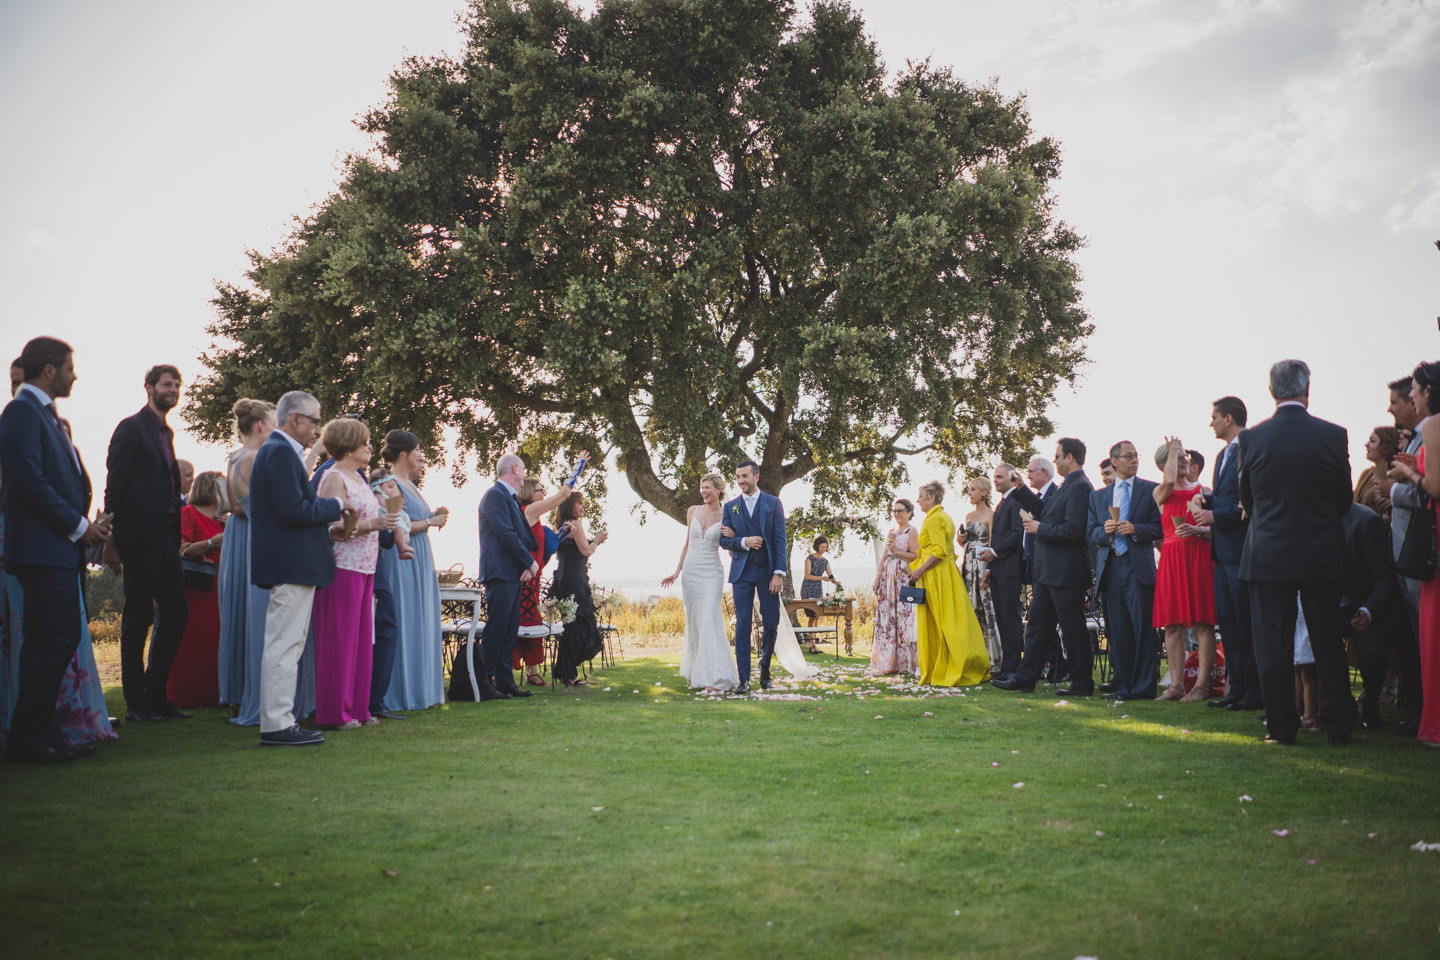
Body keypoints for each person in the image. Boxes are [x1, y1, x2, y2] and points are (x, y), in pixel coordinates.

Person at [0, 338, 114, 763]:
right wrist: (78, 526)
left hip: (55, 549)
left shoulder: (42, 415)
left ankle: (39, 732)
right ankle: (29, 738)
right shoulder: (21, 413)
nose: (74, 375)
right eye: (69, 367)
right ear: (49, 370)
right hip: (42, 549)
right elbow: (29, 481)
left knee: (47, 642)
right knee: (55, 639)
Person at [1238, 359, 1355, 745]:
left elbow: (1248, 501)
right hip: (1320, 553)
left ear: (1272, 391)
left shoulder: (1252, 439)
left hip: (1268, 554)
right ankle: (1338, 724)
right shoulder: (1333, 435)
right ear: (1307, 389)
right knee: (1327, 644)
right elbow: (1343, 500)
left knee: (1272, 647)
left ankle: (1281, 727)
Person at [248, 390, 349, 746]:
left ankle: (282, 719)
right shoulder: (279, 453)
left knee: (288, 644)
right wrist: (335, 505)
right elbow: (293, 511)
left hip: (292, 562)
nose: (317, 430)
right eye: (314, 421)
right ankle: (277, 724)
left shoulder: (279, 452)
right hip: (290, 562)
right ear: (295, 420)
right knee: (284, 645)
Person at [103, 363, 190, 722]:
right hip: (138, 539)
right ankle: (137, 704)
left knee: (177, 614)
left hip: (167, 540)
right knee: (137, 620)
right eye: (167, 384)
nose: (173, 390)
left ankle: (157, 696)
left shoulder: (165, 433)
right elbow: (116, 485)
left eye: (177, 386)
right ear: (149, 387)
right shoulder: (132, 429)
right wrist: (110, 538)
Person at [994, 439, 1095, 695]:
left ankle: (1082, 682)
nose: (1056, 460)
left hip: (1066, 572)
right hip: (1047, 573)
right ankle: (1026, 678)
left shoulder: (1081, 487)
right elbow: (1044, 510)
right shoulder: (1065, 487)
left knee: (1073, 629)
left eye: (1058, 456)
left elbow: (1075, 529)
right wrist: (1021, 490)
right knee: (1037, 627)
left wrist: (1041, 529)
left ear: (1069, 457)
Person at [313, 419, 396, 729]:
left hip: (366, 566)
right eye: (364, 442)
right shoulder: (333, 478)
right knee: (339, 641)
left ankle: (359, 708)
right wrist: (371, 525)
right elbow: (329, 527)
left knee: (361, 641)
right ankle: (335, 713)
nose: (370, 447)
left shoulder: (359, 478)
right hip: (341, 566)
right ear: (347, 444)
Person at [1190, 397, 1261, 712]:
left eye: (1214, 417)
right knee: (1229, 626)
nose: (1211, 423)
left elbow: (1252, 501)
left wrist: (1217, 516)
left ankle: (1254, 693)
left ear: (1229, 418)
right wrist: (1204, 503)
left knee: (1246, 625)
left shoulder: (1251, 447)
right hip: (1220, 553)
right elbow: (1224, 497)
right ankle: (1236, 690)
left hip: (1243, 549)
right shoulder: (1221, 456)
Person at [1386, 364, 1440, 745]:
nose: (1414, 398)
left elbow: (1435, 486)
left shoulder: (1434, 426)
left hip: (1433, 538)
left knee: (1432, 634)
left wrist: (1410, 477)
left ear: (1428, 391)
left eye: (1417, 391)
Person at [1086, 441, 1162, 700]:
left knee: (1142, 629)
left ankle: (1142, 688)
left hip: (1137, 565)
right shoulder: (1098, 497)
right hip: (1110, 566)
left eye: (1136, 456)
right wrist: (1104, 531)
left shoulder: (1151, 490)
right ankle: (1124, 685)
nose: (1134, 460)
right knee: (1117, 631)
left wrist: (1137, 529)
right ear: (1114, 461)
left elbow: (1160, 528)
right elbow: (1090, 531)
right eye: (1128, 457)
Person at [378, 430, 448, 712]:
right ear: (404, 454)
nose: (421, 454)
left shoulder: (410, 483)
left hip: (420, 557)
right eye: (418, 449)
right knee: (404, 618)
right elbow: (397, 523)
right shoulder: (389, 484)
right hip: (401, 559)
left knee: (420, 618)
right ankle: (397, 693)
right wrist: (432, 520)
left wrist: (432, 519)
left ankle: (420, 690)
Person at [219, 399, 276, 725]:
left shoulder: (235, 456)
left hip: (238, 536)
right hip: (253, 533)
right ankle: (259, 697)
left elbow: (233, 505)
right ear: (260, 426)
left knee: (238, 614)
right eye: (272, 422)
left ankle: (238, 695)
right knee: (257, 616)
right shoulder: (254, 456)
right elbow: (246, 505)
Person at [1151, 437, 1218, 702]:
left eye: (1184, 458)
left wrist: (1200, 531)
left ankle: (1201, 686)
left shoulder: (1204, 490)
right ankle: (1176, 685)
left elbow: (1218, 530)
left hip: (1200, 555)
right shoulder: (1160, 492)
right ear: (1164, 464)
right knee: (1172, 625)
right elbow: (1169, 482)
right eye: (1178, 459)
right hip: (1171, 558)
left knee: (1203, 622)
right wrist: (1173, 450)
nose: (1184, 462)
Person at [905, 480, 989, 686]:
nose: (918, 501)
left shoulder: (933, 519)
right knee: (953, 619)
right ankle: (953, 663)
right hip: (947, 572)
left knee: (942, 622)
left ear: (932, 497)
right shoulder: (944, 516)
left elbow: (940, 551)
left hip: (936, 575)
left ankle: (950, 666)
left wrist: (919, 571)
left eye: (921, 496)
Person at [664, 473, 740, 693]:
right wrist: (677, 571)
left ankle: (716, 678)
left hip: (712, 572)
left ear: (719, 490)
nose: (704, 492)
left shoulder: (728, 513)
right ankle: (699, 672)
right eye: (702, 488)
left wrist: (733, 534)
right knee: (696, 622)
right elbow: (688, 543)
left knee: (709, 618)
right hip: (691, 572)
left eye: (708, 488)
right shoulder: (692, 511)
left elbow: (731, 542)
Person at [718, 460, 787, 693]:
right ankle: (744, 679)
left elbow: (779, 540)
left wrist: (779, 573)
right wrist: (743, 541)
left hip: (768, 572)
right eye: (738, 476)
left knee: (771, 623)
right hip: (741, 573)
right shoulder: (731, 507)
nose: (740, 480)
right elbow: (724, 540)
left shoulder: (773, 503)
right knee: (742, 625)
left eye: (745, 476)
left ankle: (765, 666)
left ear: (756, 477)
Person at [478, 453, 540, 699]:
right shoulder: (495, 495)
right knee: (497, 628)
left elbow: (522, 534)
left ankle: (505, 681)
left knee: (509, 629)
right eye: (523, 469)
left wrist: (526, 564)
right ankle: (485, 682)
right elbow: (504, 533)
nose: (525, 474)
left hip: (512, 572)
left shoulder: (510, 498)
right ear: (515, 468)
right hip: (499, 571)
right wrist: (528, 562)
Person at [513, 471, 581, 685]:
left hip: (533, 578)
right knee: (520, 625)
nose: (544, 493)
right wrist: (578, 467)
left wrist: (562, 532)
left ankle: (531, 671)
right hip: (523, 578)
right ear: (529, 493)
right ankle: (507, 670)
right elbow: (562, 495)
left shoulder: (536, 519)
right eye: (540, 490)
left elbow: (544, 547)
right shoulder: (528, 510)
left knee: (532, 625)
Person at [976, 464, 1041, 680]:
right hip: (999, 569)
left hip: (1011, 570)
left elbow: (1016, 535)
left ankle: (1012, 667)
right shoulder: (1003, 502)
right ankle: (1007, 665)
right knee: (1002, 618)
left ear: (1012, 478)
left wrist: (994, 552)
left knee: (1010, 619)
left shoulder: (1015, 501)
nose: (996, 481)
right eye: (994, 477)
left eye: (1000, 477)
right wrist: (990, 567)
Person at [166, 470, 225, 708]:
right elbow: (181, 550)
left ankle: (219, 693)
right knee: (195, 642)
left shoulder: (226, 516)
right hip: (199, 589)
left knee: (219, 643)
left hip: (224, 587)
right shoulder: (187, 514)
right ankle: (188, 695)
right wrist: (212, 542)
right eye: (219, 486)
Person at [1340, 501, 1397, 730]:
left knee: (1370, 648)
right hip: (1331, 603)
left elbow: (1384, 579)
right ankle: (1329, 706)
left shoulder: (1367, 521)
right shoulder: (1314, 517)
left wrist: (1367, 610)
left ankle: (1371, 705)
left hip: (1369, 602)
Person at [550, 492, 608, 686]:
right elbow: (586, 550)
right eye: (579, 503)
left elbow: (578, 548)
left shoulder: (563, 525)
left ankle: (567, 671)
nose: (583, 507)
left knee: (572, 626)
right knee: (580, 626)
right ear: (569, 505)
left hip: (565, 579)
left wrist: (591, 540)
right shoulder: (575, 524)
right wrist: (597, 540)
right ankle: (568, 671)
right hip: (574, 581)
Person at [868, 498, 919, 676]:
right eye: (894, 510)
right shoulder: (891, 532)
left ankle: (906, 663)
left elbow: (916, 556)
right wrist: (878, 577)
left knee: (903, 617)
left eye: (901, 510)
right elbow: (884, 556)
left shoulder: (912, 531)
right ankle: (888, 662)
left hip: (903, 577)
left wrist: (897, 551)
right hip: (887, 579)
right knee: (887, 618)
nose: (897, 513)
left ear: (909, 512)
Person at [956, 475, 1001, 670]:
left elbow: (994, 544)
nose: (969, 493)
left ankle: (993, 658)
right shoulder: (968, 516)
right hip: (967, 565)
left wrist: (989, 570)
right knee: (970, 608)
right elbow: (964, 544)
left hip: (983, 563)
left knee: (985, 607)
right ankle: (974, 655)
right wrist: (961, 540)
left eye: (973, 489)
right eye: (968, 490)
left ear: (983, 492)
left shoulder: (991, 515)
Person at [1354, 427, 1400, 519]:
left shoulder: (1396, 475)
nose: (1366, 445)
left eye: (1372, 441)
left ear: (1386, 445)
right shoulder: (1367, 474)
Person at [799, 535, 838, 641]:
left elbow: (830, 575)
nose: (823, 550)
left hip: (817, 589)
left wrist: (836, 582)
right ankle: (812, 644)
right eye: (822, 547)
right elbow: (807, 576)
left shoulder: (825, 561)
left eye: (825, 547)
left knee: (816, 617)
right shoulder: (809, 559)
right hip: (808, 589)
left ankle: (813, 642)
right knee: (812, 616)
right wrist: (822, 578)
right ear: (817, 546)